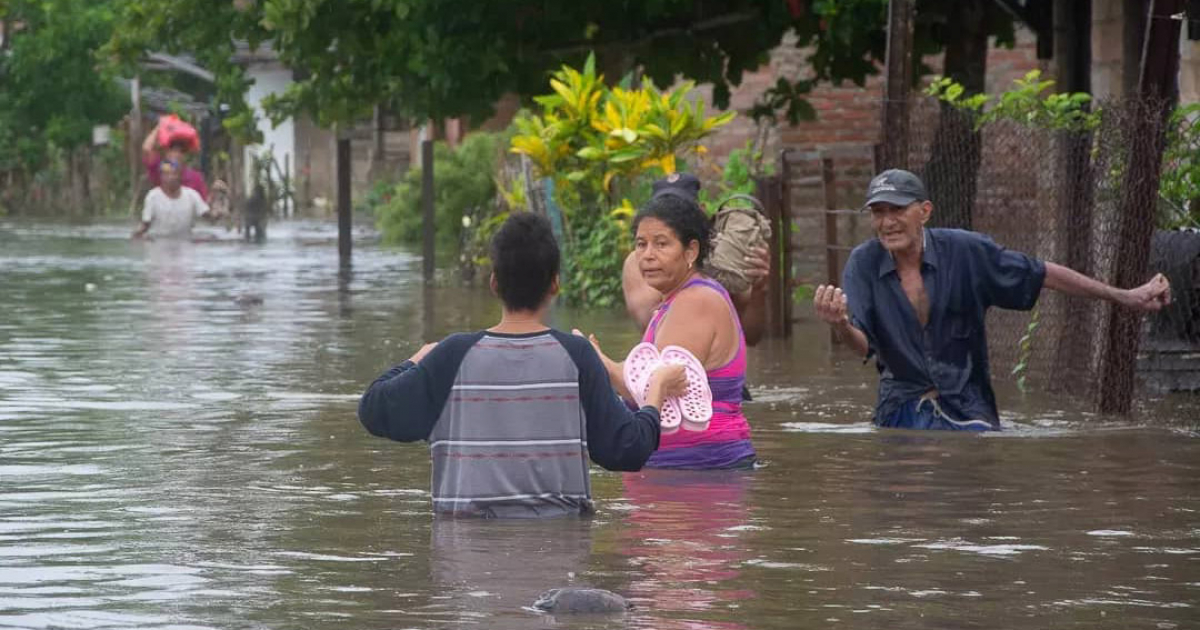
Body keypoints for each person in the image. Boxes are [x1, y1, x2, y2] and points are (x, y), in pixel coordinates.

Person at [356, 213, 687, 518]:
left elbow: (373, 410)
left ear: (494, 283)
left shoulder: (452, 355)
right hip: (560, 559)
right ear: (555, 284)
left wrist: (419, 358)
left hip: (464, 564)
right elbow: (627, 450)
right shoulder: (577, 355)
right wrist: (656, 389)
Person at [814, 168, 1173, 431]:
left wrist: (1125, 296)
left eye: (897, 210)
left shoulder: (966, 251)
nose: (887, 222)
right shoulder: (863, 263)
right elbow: (863, 346)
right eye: (879, 213)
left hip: (968, 406)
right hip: (901, 409)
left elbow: (1042, 273)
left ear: (924, 211)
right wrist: (840, 324)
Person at [586, 191, 756, 470]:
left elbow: (652, 388)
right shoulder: (675, 301)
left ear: (691, 251)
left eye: (661, 244)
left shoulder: (696, 301)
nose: (648, 255)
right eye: (641, 245)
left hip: (700, 475)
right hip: (684, 473)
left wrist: (594, 359)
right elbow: (644, 376)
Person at [622, 174, 771, 346]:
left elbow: (750, 336)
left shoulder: (723, 263)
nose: (672, 219)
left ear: (700, 213)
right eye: (664, 211)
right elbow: (647, 320)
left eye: (681, 212)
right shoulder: (640, 260)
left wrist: (760, 290)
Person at [132, 160, 217, 240]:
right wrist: (136, 236)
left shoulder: (192, 195)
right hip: (158, 244)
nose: (171, 177)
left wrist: (217, 209)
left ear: (180, 176)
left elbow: (209, 217)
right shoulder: (153, 197)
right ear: (161, 177)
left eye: (174, 174)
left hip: (186, 244)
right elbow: (145, 224)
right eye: (167, 174)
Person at [142, 117, 209, 202]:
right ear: (166, 152)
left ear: (185, 155)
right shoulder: (161, 170)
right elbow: (147, 149)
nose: (176, 154)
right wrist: (160, 126)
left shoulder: (195, 178)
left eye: (181, 151)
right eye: (172, 149)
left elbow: (204, 206)